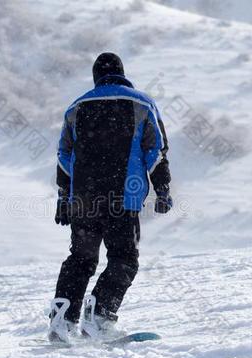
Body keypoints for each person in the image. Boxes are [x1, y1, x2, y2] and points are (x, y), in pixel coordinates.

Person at [49, 52, 172, 343]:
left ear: (96, 78)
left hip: (83, 200)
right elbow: (156, 151)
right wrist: (162, 188)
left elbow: (64, 156)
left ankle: (61, 322)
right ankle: (99, 316)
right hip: (123, 198)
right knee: (124, 258)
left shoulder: (76, 107)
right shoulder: (141, 103)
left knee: (80, 258)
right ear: (122, 73)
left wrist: (64, 198)